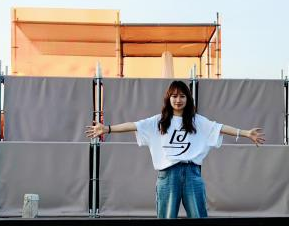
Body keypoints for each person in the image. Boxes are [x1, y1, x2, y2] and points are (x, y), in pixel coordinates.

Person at [85, 80, 265, 218]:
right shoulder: (158, 121)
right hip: (168, 175)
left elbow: (220, 128)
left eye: (182, 96)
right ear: (168, 98)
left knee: (198, 218)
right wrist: (107, 128)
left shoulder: (197, 121)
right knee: (166, 220)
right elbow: (133, 125)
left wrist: (246, 133)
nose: (178, 100)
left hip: (192, 173)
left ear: (188, 99)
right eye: (174, 96)